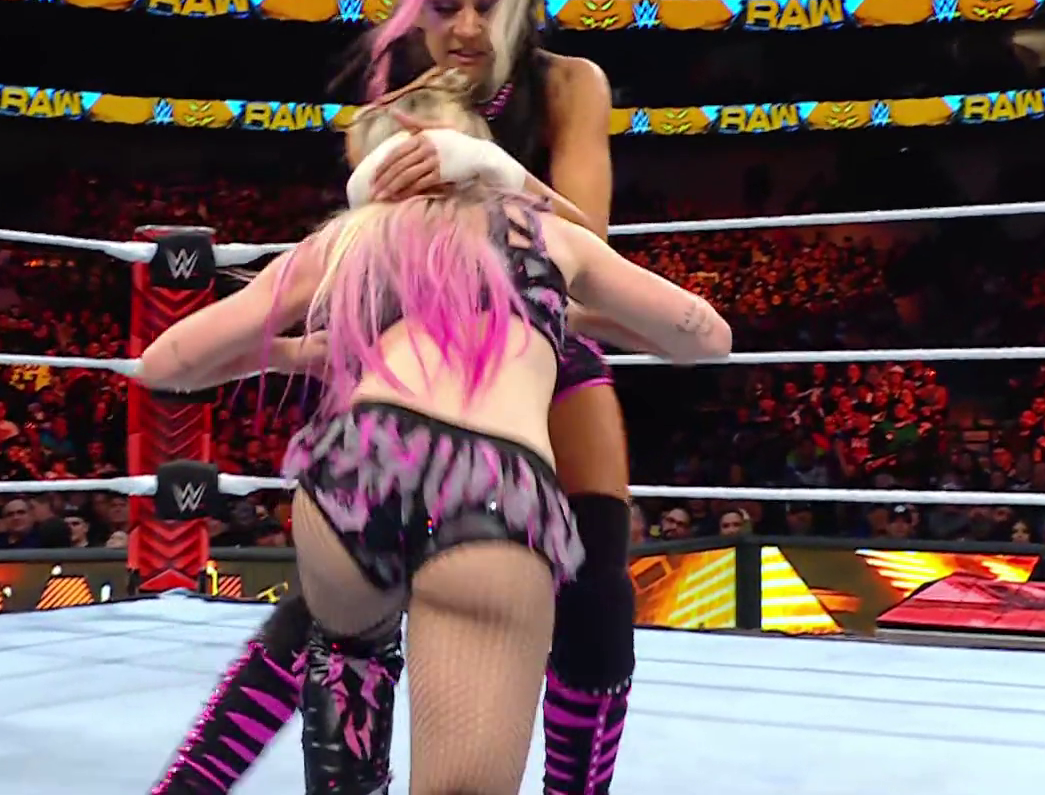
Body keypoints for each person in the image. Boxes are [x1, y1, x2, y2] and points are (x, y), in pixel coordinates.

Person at [153, 0, 642, 795]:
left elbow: (589, 265)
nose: (466, 27)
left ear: (521, 2)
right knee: (334, 601)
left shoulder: (570, 84)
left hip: (543, 346)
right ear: (416, 8)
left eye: (487, 4)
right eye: (445, 5)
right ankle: (189, 785)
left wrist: (502, 174)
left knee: (597, 587)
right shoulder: (391, 105)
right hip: (416, 356)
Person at [137, 85, 729, 794]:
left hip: (355, 468)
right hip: (490, 482)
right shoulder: (546, 233)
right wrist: (537, 221)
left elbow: (167, 364)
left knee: (346, 656)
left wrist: (296, 354)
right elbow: (707, 338)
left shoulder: (349, 239)